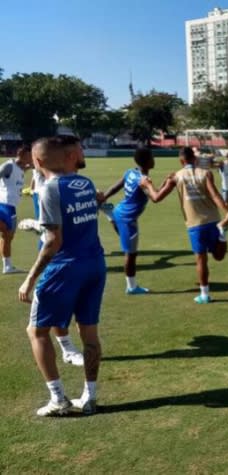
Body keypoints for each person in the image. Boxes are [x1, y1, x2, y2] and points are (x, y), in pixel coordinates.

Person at [19, 136, 106, 416]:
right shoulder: (86, 183)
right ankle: (89, 396)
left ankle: (58, 398)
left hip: (64, 267)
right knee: (89, 333)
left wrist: (30, 278)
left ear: (39, 161)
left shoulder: (48, 190)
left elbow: (53, 241)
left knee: (37, 331)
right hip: (94, 263)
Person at [18, 152, 86, 366]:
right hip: (53, 246)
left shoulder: (65, 183)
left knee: (64, 302)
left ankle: (67, 348)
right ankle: (67, 348)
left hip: (64, 246)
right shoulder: (45, 184)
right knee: (55, 304)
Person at [148, 147, 228, 304]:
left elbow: (157, 197)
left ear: (181, 161)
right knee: (219, 256)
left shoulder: (176, 177)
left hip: (195, 224)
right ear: (195, 159)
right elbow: (215, 195)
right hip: (213, 220)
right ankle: (222, 233)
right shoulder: (206, 173)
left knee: (201, 259)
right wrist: (227, 212)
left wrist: (150, 185)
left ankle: (205, 295)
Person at [97, 148, 172, 294]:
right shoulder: (143, 180)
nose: (154, 160)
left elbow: (115, 187)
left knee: (127, 243)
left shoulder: (130, 172)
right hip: (127, 219)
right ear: (147, 161)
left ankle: (108, 212)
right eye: (152, 157)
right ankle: (131, 287)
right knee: (131, 254)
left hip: (120, 212)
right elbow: (155, 198)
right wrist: (169, 185)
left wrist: (104, 196)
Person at [0, 144, 33, 274]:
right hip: (4, 205)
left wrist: (29, 167)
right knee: (7, 234)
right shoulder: (8, 166)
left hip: (11, 207)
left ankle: (7, 267)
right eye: (30, 156)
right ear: (23, 155)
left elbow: (19, 171)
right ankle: (7, 266)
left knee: (8, 236)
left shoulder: (20, 168)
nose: (31, 159)